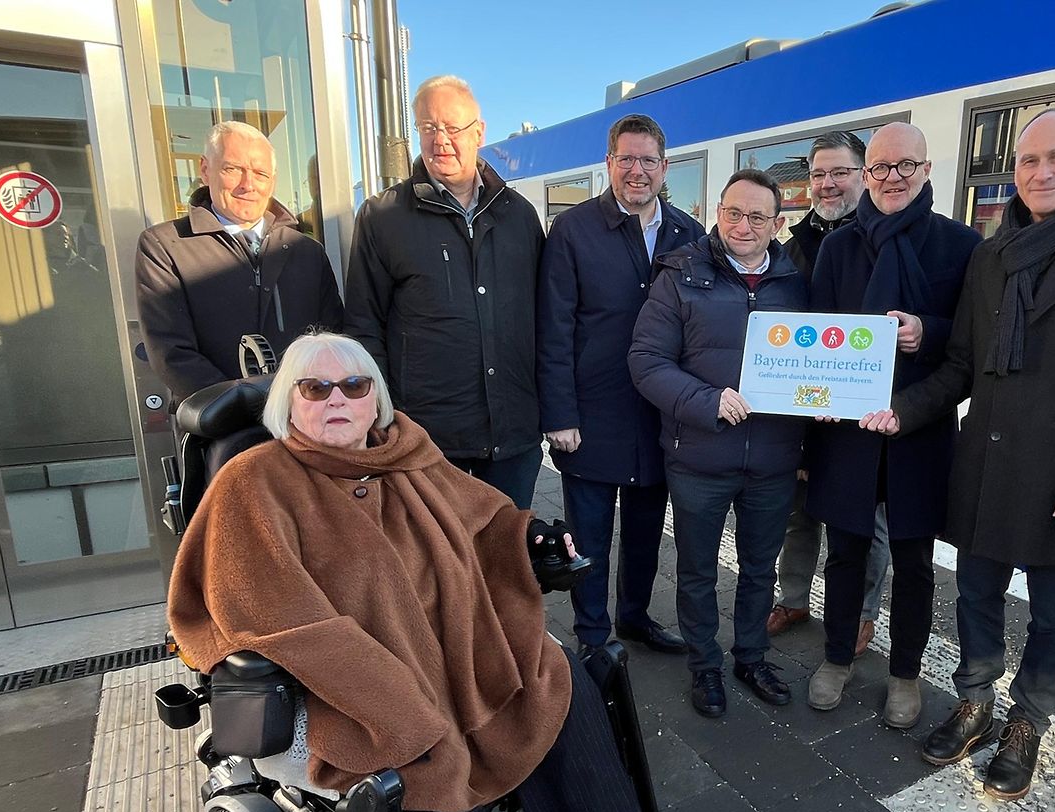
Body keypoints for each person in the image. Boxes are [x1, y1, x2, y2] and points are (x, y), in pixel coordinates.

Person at [166, 332, 707, 812]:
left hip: (453, 648)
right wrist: (395, 696)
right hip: (351, 683)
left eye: (354, 387)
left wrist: (535, 540)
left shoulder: (405, 455)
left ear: (376, 398)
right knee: (422, 758)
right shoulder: (254, 483)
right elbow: (267, 612)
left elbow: (485, 521)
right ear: (286, 402)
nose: (337, 401)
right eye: (315, 388)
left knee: (557, 683)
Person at [868, 108, 1055, 798]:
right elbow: (964, 366)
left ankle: (1028, 722)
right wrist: (904, 410)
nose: (1042, 172)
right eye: (1029, 161)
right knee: (975, 593)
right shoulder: (994, 254)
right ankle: (975, 701)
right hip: (987, 460)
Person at [804, 123, 981, 729]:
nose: (891, 178)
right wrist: (817, 392)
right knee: (846, 555)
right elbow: (820, 334)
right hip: (848, 429)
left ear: (927, 170)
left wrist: (924, 331)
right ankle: (835, 658)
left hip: (920, 431)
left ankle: (905, 673)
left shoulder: (959, 246)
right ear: (866, 175)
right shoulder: (839, 247)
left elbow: (969, 342)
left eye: (905, 166)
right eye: (880, 168)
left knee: (913, 564)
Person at [628, 170, 808, 717]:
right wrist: (707, 402)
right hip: (700, 455)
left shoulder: (796, 283)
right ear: (718, 214)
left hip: (773, 459)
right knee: (698, 569)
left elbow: (818, 362)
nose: (743, 226)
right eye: (733, 213)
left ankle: (750, 656)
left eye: (757, 217)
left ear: (778, 224)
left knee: (760, 567)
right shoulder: (680, 276)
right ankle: (705, 665)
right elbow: (646, 360)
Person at [537, 114, 701, 655]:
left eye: (647, 160)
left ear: (664, 166)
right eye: (626, 159)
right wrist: (559, 414)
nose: (637, 171)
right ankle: (592, 636)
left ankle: (633, 618)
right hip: (592, 413)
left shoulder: (688, 234)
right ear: (609, 164)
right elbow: (554, 326)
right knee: (589, 538)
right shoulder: (573, 230)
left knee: (646, 534)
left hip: (659, 414)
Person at [342, 75, 546, 507]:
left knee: (505, 562)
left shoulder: (519, 216)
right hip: (427, 440)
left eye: (452, 128)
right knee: (436, 566)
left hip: (512, 436)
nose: (441, 141)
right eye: (428, 128)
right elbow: (364, 324)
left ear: (479, 131)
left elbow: (546, 318)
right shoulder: (383, 217)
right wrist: (381, 416)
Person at [769, 130, 889, 648]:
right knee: (799, 508)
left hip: (866, 408)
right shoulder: (793, 247)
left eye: (839, 172)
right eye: (818, 174)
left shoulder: (886, 243)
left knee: (869, 519)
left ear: (863, 174)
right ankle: (792, 598)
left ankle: (864, 610)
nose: (827, 184)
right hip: (807, 404)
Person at [136, 121, 343, 402]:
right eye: (233, 169)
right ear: (206, 171)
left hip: (304, 416)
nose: (248, 185)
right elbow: (170, 352)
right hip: (219, 426)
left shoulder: (307, 251)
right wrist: (241, 405)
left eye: (260, 173)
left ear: (272, 181)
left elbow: (333, 339)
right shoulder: (165, 246)